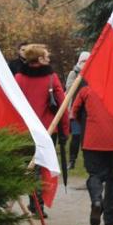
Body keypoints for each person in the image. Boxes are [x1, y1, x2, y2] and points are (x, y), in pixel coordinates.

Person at [15, 44, 69, 213]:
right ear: (39, 59)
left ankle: (34, 199)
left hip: (24, 130)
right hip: (46, 130)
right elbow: (62, 106)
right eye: (46, 56)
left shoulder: (18, 78)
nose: (49, 59)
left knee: (29, 166)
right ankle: (38, 201)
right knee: (41, 165)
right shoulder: (51, 78)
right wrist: (65, 131)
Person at [71, 84, 113, 225]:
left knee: (94, 175)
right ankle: (110, 218)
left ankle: (96, 200)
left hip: (92, 139)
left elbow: (74, 111)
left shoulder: (86, 90)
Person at [65, 51, 90, 170]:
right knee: (76, 135)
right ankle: (72, 160)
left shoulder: (93, 73)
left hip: (89, 111)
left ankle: (87, 161)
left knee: (86, 138)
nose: (85, 63)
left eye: (87, 61)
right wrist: (80, 76)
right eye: (83, 61)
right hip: (76, 109)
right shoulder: (73, 73)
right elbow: (69, 88)